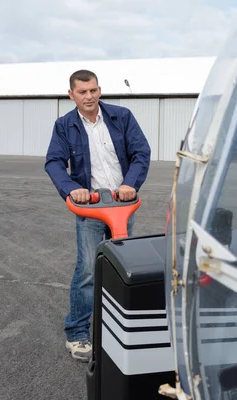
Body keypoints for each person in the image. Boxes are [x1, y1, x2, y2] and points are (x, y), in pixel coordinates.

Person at [44, 69, 151, 362]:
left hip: (121, 205)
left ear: (99, 90)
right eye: (82, 92)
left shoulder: (121, 116)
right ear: (72, 95)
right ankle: (77, 333)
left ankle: (122, 325)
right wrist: (71, 189)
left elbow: (141, 152)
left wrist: (131, 183)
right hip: (90, 207)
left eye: (92, 90)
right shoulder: (65, 125)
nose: (89, 97)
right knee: (89, 270)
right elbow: (53, 162)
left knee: (124, 267)